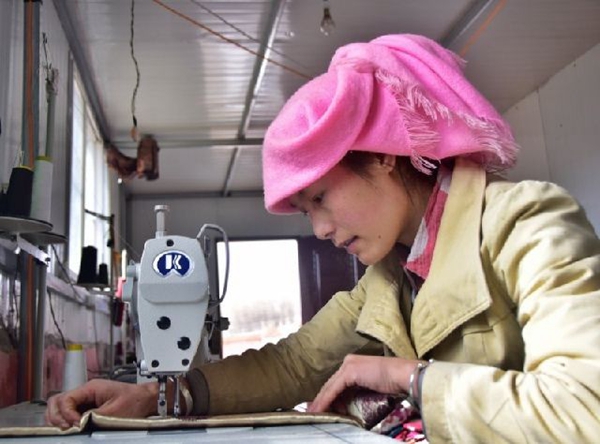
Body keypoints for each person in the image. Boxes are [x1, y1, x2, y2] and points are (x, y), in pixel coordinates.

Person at [46, 34, 600, 442]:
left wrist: (408, 377)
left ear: (383, 155)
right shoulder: (392, 277)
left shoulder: (524, 222)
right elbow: (291, 364)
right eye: (306, 211)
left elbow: (585, 410)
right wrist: (157, 396)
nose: (320, 229)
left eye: (320, 199)